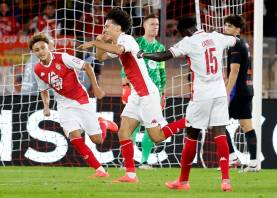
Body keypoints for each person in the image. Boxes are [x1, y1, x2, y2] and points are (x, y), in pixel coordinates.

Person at [78, 8, 186, 183]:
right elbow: (101, 57)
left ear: (118, 27)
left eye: (107, 26)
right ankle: (130, 174)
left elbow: (119, 50)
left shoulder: (127, 40)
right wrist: (98, 42)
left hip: (148, 94)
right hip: (137, 95)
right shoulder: (116, 40)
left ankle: (190, 120)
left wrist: (95, 43)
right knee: (124, 132)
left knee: (156, 137)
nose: (104, 29)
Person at [138, 16, 239, 191]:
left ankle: (183, 181)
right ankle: (225, 181)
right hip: (220, 92)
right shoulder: (216, 36)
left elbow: (163, 56)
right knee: (220, 133)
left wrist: (143, 54)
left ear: (184, 31)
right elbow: (236, 41)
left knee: (192, 134)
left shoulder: (188, 42)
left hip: (202, 94)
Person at [29, 33, 118, 178]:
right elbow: (44, 90)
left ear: (48, 48)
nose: (41, 51)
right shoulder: (38, 69)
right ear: (33, 53)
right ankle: (100, 170)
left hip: (81, 99)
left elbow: (87, 66)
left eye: (42, 48)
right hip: (64, 104)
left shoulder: (63, 57)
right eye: (37, 50)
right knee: (74, 137)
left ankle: (103, 123)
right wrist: (46, 106)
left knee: (98, 140)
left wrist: (95, 87)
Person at [121, 13, 166, 169]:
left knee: (150, 129)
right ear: (145, 26)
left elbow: (162, 72)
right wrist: (125, 86)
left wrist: (163, 93)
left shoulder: (160, 48)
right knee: (131, 126)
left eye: (157, 24)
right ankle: (129, 160)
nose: (155, 27)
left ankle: (144, 161)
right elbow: (125, 65)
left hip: (155, 92)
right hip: (136, 91)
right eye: (152, 24)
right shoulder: (137, 42)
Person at [224, 15, 258, 172]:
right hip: (247, 89)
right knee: (247, 127)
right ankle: (252, 163)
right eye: (225, 26)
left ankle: (232, 157)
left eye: (229, 26)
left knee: (218, 122)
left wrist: (227, 92)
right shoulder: (243, 43)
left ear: (237, 29)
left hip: (237, 91)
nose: (226, 29)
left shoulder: (235, 44)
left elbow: (235, 70)